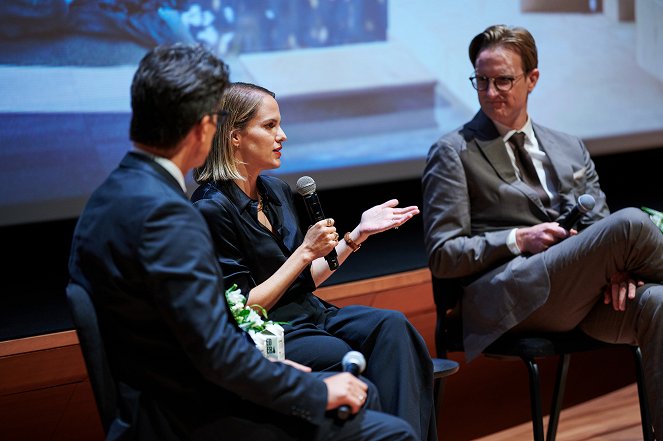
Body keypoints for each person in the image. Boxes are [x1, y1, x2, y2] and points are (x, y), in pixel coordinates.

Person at [68, 43, 417, 441]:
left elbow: (199, 336)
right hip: (188, 417)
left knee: (374, 375)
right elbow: (217, 343)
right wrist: (308, 387)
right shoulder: (169, 215)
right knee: (383, 424)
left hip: (163, 399)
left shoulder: (109, 197)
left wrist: (281, 371)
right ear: (205, 126)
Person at [422, 23, 663, 435]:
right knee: (633, 223)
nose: (490, 92)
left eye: (503, 80)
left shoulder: (569, 146)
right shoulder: (453, 152)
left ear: (532, 79)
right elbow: (444, 254)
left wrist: (623, 272)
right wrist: (519, 239)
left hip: (583, 296)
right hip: (512, 297)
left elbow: (599, 231)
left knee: (658, 301)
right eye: (481, 81)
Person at [191, 81, 437, 441]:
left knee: (394, 328)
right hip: (271, 333)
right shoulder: (212, 208)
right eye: (270, 126)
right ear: (234, 137)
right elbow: (243, 308)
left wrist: (357, 236)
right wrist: (304, 251)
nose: (283, 136)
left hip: (314, 314)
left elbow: (306, 281)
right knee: (338, 353)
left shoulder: (276, 191)